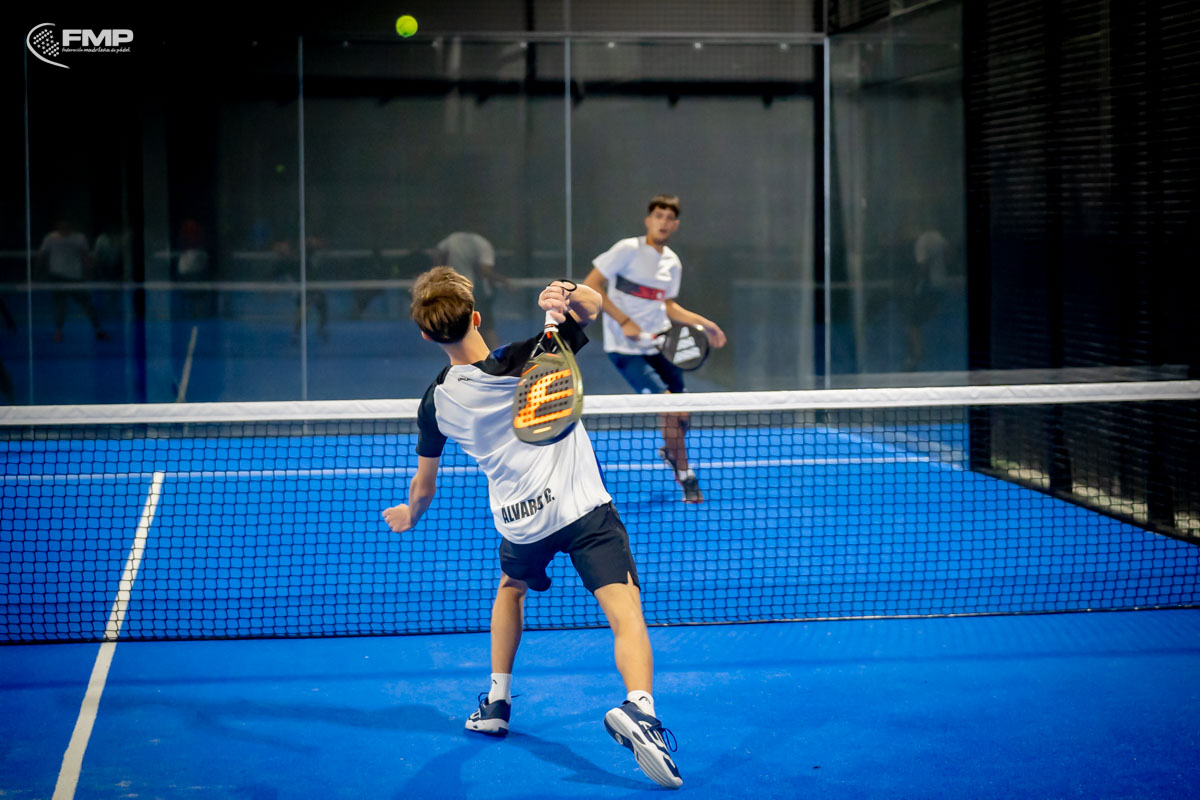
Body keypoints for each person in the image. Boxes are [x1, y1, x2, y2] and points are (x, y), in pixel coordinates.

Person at [382, 267, 682, 789]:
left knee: (511, 589)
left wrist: (411, 514)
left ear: (427, 336)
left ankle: (497, 702)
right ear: (477, 318)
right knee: (625, 611)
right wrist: (566, 292)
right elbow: (592, 308)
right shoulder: (537, 354)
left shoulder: (435, 403)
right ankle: (640, 707)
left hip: (522, 524)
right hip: (584, 509)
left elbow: (424, 485)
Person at [583, 195, 726, 504]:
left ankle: (671, 451)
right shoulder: (626, 250)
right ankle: (686, 476)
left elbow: (668, 305)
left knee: (683, 414)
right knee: (669, 407)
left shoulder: (672, 262)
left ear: (675, 225)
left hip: (661, 344)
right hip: (625, 349)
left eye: (669, 218)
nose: (663, 222)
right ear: (648, 220)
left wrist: (705, 324)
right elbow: (591, 285)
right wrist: (624, 320)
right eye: (658, 216)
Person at [431, 232, 508, 348]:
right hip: (475, 294)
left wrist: (440, 271)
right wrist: (504, 281)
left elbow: (437, 253)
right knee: (486, 328)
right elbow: (485, 270)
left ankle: (477, 354)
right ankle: (495, 356)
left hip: (458, 293)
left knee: (466, 329)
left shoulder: (453, 239)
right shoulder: (482, 244)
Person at [38, 219, 110, 342]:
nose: (64, 226)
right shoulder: (50, 238)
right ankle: (59, 332)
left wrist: (91, 272)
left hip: (75, 278)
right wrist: (36, 275)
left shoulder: (79, 238)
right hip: (58, 277)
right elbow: (42, 255)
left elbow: (85, 257)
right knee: (60, 305)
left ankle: (98, 329)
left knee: (87, 304)